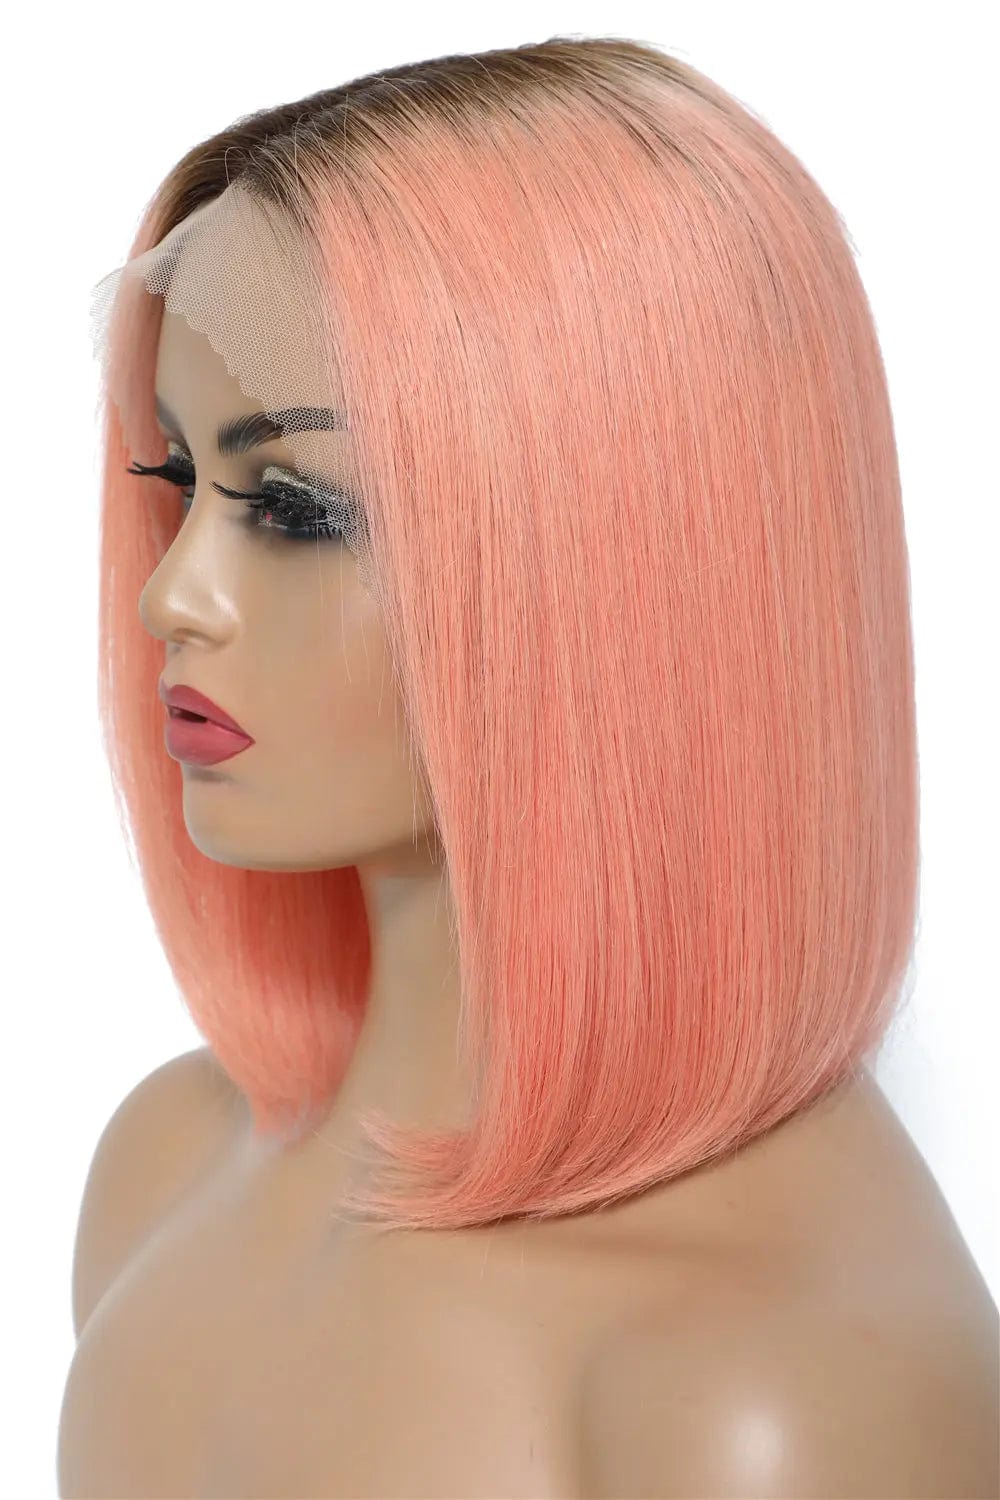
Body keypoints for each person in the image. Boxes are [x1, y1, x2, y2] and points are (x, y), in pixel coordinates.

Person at [59, 35, 998, 1499]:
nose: (170, 594)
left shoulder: (767, 1405)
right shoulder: (162, 1174)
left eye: (295, 508)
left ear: (617, 556)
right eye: (180, 481)